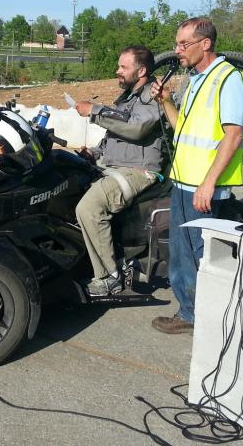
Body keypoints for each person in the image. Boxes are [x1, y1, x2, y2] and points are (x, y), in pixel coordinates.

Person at [149, 18, 243, 334]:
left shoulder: (227, 79)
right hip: (183, 180)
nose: (178, 51)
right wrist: (165, 101)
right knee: (182, 252)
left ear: (204, 44)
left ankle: (199, 316)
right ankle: (190, 311)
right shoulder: (195, 81)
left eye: (183, 44)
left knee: (199, 252)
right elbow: (183, 128)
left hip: (202, 185)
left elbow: (233, 135)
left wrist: (208, 183)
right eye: (177, 44)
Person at [74, 46, 165, 296]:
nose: (117, 71)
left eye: (123, 67)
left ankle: (109, 278)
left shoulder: (152, 96)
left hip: (138, 170)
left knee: (89, 208)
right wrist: (93, 153)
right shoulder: (126, 98)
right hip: (115, 166)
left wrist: (95, 111)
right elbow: (112, 137)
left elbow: (136, 128)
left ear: (142, 70)